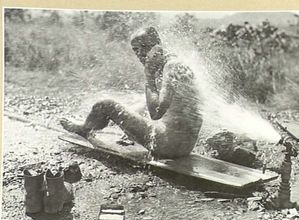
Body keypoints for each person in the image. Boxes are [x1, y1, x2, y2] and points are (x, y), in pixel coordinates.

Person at [60, 27, 203, 159]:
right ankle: (107, 124)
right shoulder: (175, 63)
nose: (141, 54)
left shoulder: (170, 67)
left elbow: (156, 113)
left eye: (145, 47)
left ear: (157, 45)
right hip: (184, 147)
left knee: (106, 104)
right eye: (136, 50)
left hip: (166, 145)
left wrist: (149, 76)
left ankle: (83, 129)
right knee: (139, 102)